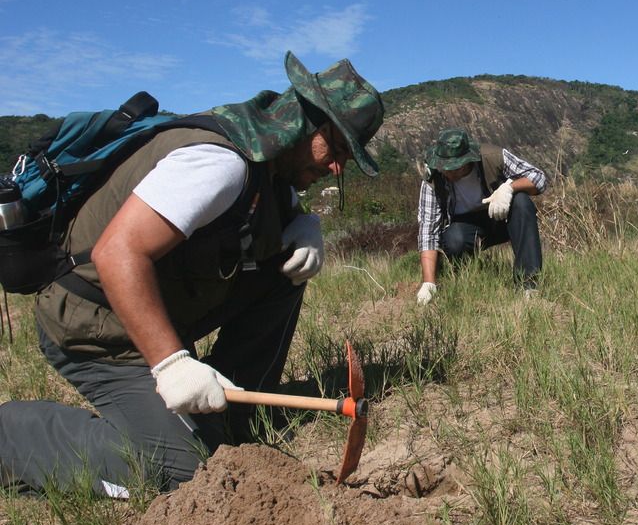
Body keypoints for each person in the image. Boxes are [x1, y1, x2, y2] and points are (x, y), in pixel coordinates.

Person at [0, 51, 384, 496]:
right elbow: (117, 253)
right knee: (184, 472)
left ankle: (232, 418)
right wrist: (172, 365)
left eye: (347, 159)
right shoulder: (220, 164)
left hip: (152, 306)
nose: (336, 166)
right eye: (334, 148)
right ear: (302, 122)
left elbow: (256, 217)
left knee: (285, 272)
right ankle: (14, 436)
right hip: (94, 327)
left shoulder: (269, 160)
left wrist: (302, 223)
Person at [416, 128, 546, 305]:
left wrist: (510, 188)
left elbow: (539, 178)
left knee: (522, 203)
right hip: (465, 227)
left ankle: (529, 286)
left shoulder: (492, 156)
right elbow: (428, 231)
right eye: (444, 168)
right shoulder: (433, 179)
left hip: (500, 216)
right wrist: (428, 282)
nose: (448, 173)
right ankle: (462, 277)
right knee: (454, 240)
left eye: (455, 168)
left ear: (468, 160)